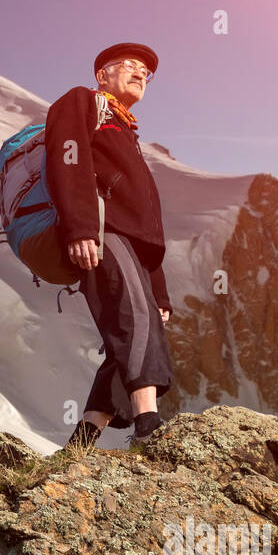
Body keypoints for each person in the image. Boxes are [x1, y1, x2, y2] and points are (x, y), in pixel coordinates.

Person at [46, 43, 175, 451]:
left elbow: (146, 232)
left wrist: (160, 292)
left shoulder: (124, 129)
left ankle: (81, 442)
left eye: (146, 71)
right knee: (134, 320)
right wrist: (81, 228)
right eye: (130, 66)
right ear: (103, 75)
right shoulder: (81, 101)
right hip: (102, 233)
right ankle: (148, 426)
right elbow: (67, 161)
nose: (140, 74)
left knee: (136, 325)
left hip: (126, 241)